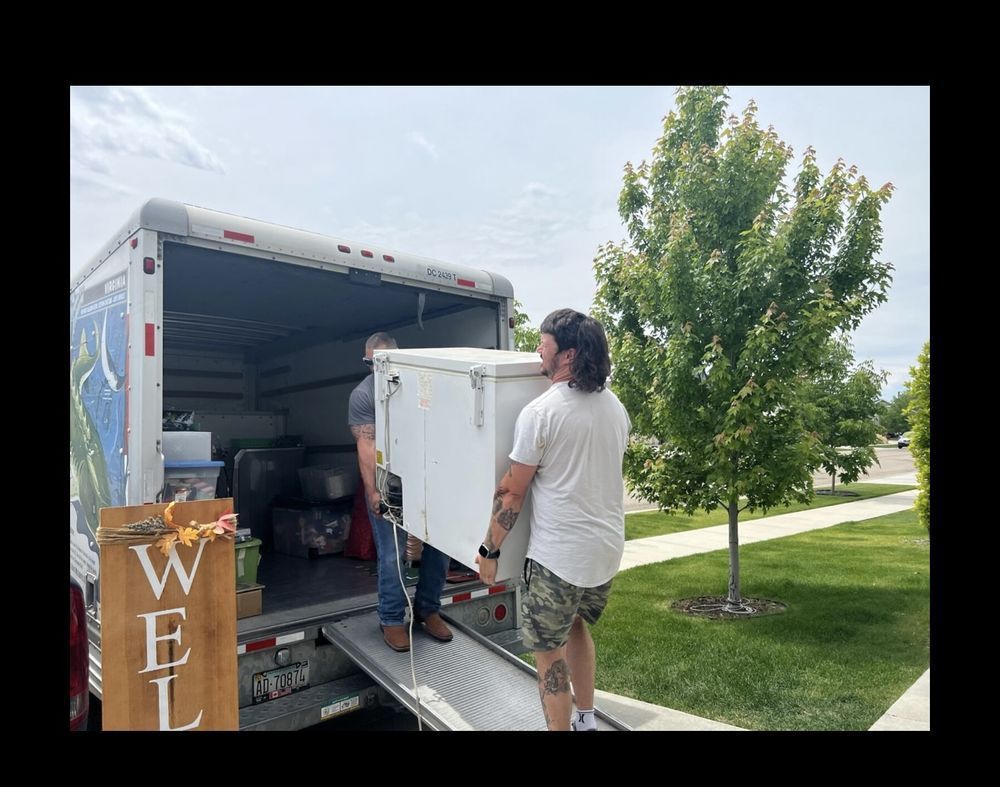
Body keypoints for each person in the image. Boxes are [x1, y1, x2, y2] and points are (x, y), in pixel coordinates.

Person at [475, 309, 630, 731]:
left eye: (543, 346)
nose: (537, 353)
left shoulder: (541, 412)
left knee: (549, 656)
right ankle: (585, 720)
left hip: (558, 559)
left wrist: (489, 550)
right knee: (577, 627)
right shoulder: (615, 407)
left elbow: (513, 491)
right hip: (604, 554)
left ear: (568, 355)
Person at [348, 332, 453, 652]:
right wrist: (374, 493)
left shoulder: (422, 386)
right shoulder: (363, 395)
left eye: (380, 361)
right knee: (392, 552)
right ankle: (392, 619)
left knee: (440, 547)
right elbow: (366, 447)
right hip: (389, 484)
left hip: (426, 480)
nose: (374, 368)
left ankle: (427, 609)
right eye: (370, 362)